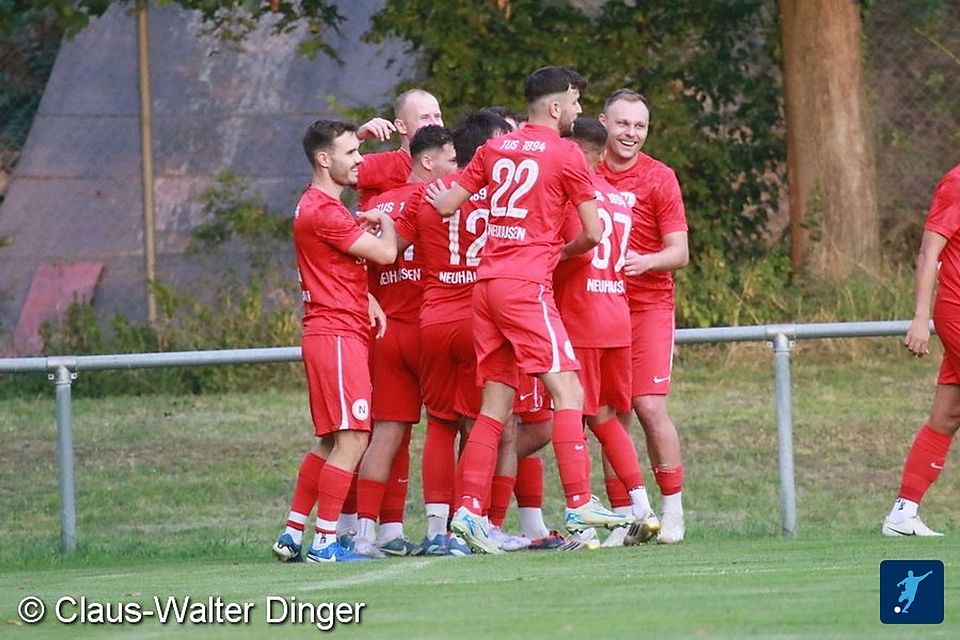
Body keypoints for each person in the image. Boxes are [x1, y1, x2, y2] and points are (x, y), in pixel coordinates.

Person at [427, 66, 633, 554]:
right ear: (556, 107)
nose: (580, 110)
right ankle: (579, 503)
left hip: (486, 287)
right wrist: (557, 251)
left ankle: (468, 513)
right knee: (569, 390)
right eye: (576, 102)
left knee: (494, 405)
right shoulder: (566, 153)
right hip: (525, 287)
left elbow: (447, 204)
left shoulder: (494, 148)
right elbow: (593, 233)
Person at [271, 119, 398, 563]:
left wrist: (365, 297)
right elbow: (386, 254)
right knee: (354, 439)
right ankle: (325, 542)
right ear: (324, 159)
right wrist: (387, 222)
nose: (360, 161)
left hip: (334, 330)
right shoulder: (324, 211)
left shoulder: (317, 204)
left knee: (330, 440)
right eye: (351, 154)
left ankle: (292, 534)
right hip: (337, 335)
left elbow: (332, 266)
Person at [394, 111, 511, 555]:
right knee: (483, 422)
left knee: (441, 426)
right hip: (481, 321)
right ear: (484, 150)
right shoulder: (499, 194)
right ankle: (472, 521)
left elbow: (390, 249)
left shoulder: (425, 194)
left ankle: (435, 530)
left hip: (434, 319)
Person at [352, 125, 459, 558]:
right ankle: (446, 529)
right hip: (430, 326)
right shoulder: (441, 200)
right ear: (428, 161)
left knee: (386, 434)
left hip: (385, 328)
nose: (458, 168)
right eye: (452, 160)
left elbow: (357, 263)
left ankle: (365, 534)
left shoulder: (376, 204)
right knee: (448, 428)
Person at [555, 116, 661, 547]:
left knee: (573, 416)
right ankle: (642, 508)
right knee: (604, 417)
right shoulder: (620, 198)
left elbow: (578, 251)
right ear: (602, 153)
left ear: (574, 150)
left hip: (581, 317)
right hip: (617, 315)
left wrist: (550, 258)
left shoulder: (572, 197)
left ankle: (582, 521)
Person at [598, 89, 689, 544]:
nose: (631, 133)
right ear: (604, 123)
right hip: (601, 304)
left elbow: (679, 252)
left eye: (639, 126)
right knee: (610, 413)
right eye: (623, 124)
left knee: (649, 406)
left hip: (649, 305)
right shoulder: (586, 170)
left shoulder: (659, 177)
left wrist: (644, 261)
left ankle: (673, 508)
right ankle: (624, 517)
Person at [883, 164, 960, 537]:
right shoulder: (957, 184)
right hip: (957, 310)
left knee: (946, 416)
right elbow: (929, 253)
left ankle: (903, 512)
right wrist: (919, 318)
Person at [355, 89, 444, 209]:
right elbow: (332, 168)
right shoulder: (382, 165)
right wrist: (356, 137)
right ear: (401, 126)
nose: (435, 123)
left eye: (437, 116)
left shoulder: (451, 165)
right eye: (424, 117)